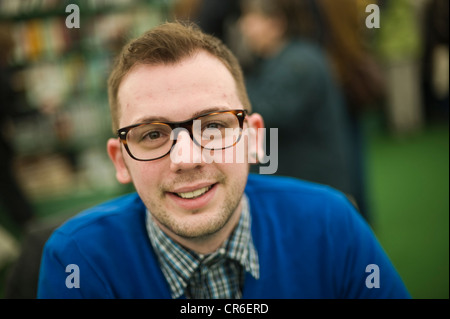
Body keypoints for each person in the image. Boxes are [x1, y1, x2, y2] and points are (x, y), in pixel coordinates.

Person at [37, 21, 410, 299]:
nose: (186, 159)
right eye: (152, 134)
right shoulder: (77, 262)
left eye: (213, 126)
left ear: (254, 138)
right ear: (120, 161)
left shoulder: (332, 224)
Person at [239, 0, 368, 218]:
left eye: (251, 18)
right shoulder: (287, 58)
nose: (244, 26)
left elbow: (266, 112)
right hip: (309, 188)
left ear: (276, 23)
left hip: (316, 192)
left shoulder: (298, 64)